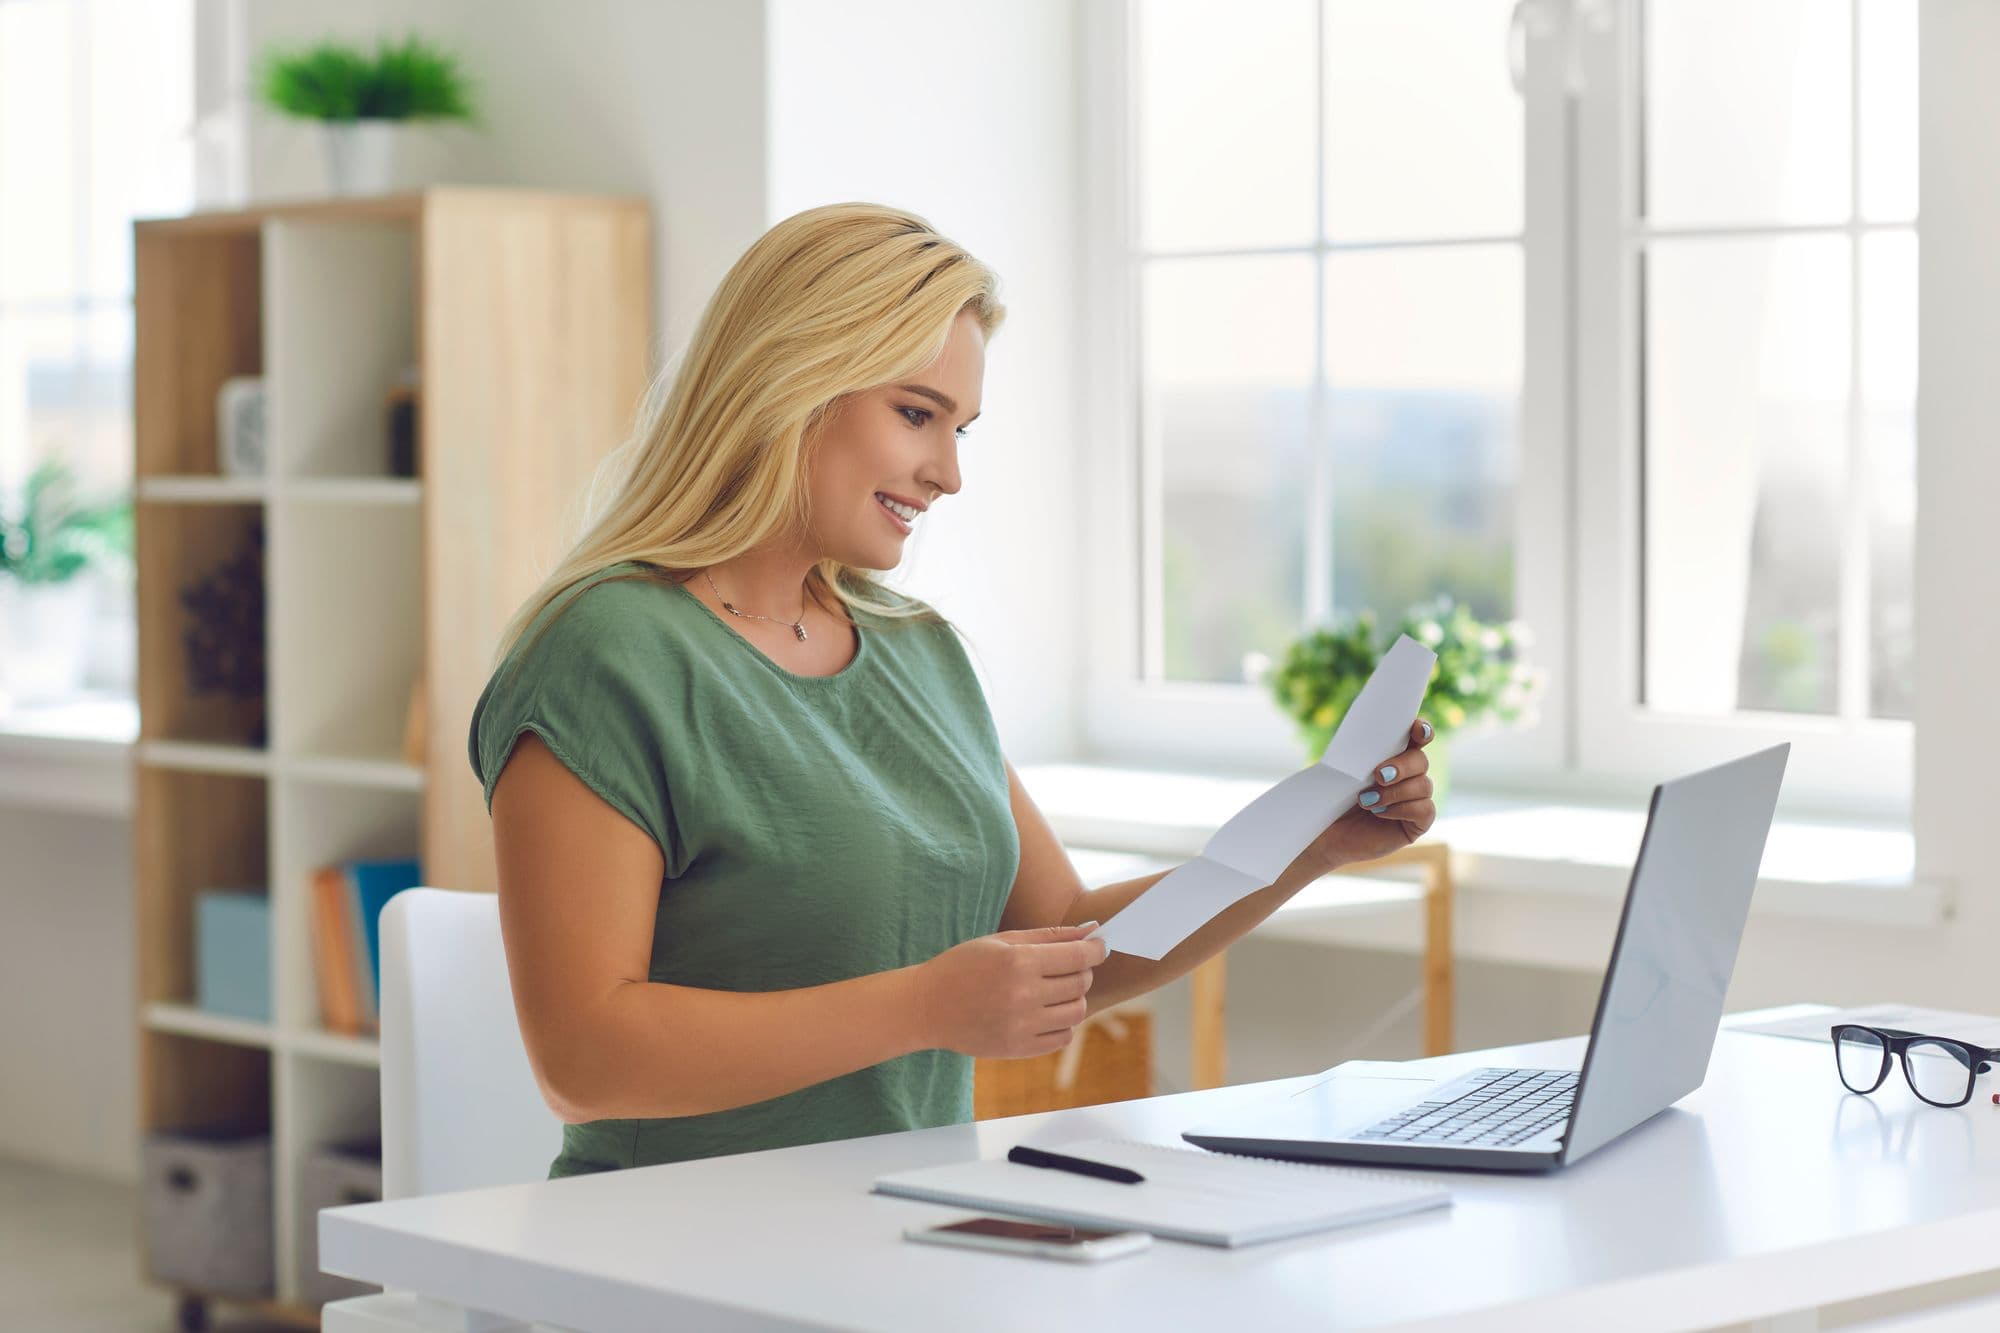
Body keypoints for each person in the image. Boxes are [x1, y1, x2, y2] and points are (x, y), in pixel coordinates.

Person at [469, 201, 1437, 1177]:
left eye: (960, 427)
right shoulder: (605, 653)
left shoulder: (916, 652)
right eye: (915, 414)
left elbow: (1067, 943)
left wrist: (1309, 844)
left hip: (907, 1228)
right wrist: (924, 1005)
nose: (947, 473)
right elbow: (583, 1060)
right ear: (788, 382)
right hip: (664, 1250)